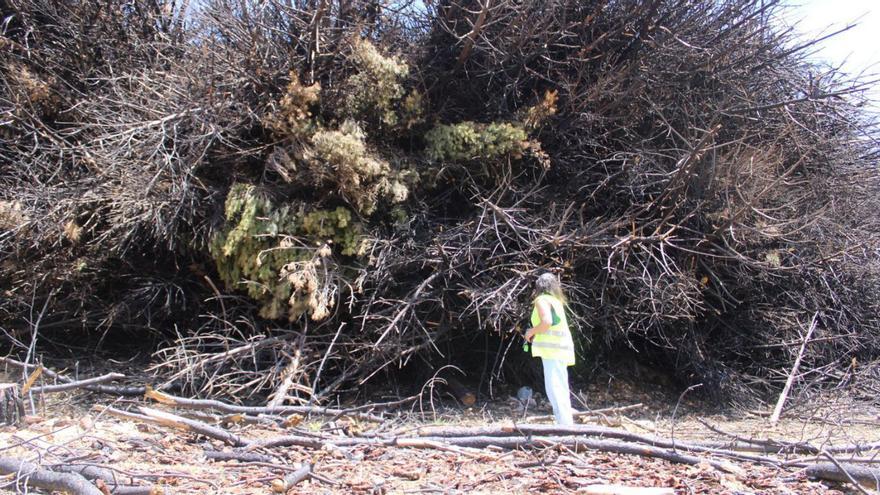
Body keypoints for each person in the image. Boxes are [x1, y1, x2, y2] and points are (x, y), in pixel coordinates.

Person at [523, 272, 575, 425]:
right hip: (561, 348)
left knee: (555, 389)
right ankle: (565, 424)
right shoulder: (556, 301)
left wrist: (530, 332)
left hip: (553, 351)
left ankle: (565, 427)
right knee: (560, 387)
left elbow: (546, 322)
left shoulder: (542, 300)